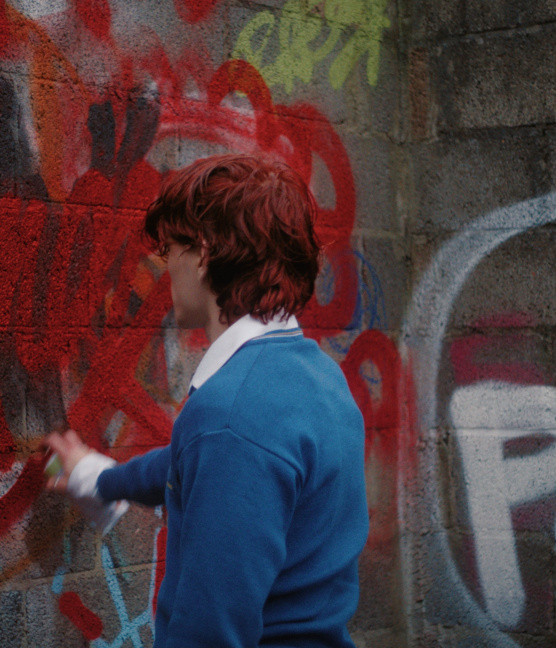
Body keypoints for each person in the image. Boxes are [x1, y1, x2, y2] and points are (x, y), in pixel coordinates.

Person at [45, 153, 368, 648]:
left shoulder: (231, 415)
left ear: (203, 254)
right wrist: (100, 478)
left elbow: (209, 632)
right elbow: (191, 462)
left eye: (171, 248)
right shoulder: (318, 378)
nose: (165, 265)